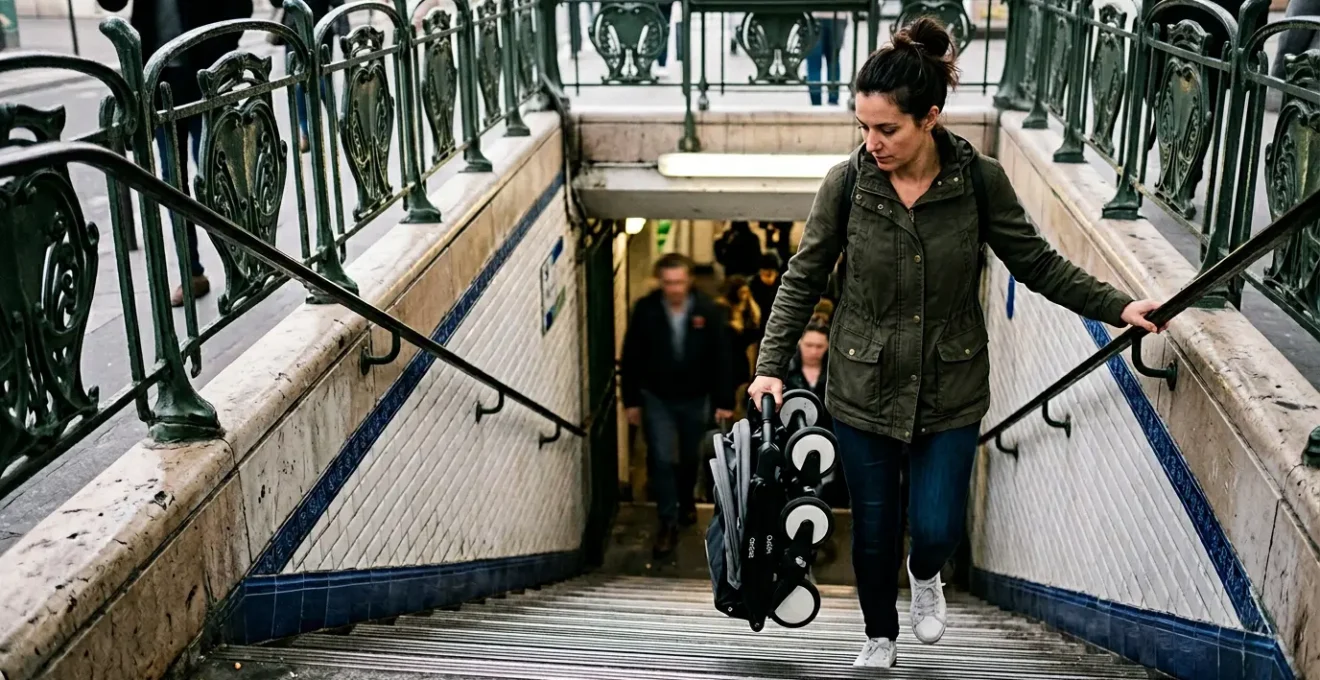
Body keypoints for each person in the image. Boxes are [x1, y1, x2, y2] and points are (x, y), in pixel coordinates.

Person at [748, 18, 1164, 669]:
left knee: (937, 527)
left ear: (930, 119)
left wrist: (1117, 306)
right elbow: (803, 277)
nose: (872, 143)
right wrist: (771, 365)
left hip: (951, 385)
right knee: (874, 532)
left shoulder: (978, 181)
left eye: (887, 129)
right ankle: (879, 636)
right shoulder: (847, 184)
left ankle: (927, 572)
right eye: (863, 127)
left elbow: (1037, 263)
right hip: (862, 384)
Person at [97, 0, 255, 307]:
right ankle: (191, 272)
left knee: (215, 173)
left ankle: (244, 263)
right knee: (173, 182)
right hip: (159, 84)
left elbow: (240, 5)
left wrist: (219, 50)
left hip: (206, 79)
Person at [621, 254, 735, 558]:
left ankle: (686, 500)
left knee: (689, 456)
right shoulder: (646, 311)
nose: (674, 289)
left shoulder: (707, 311)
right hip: (657, 398)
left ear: (690, 281)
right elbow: (631, 356)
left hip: (695, 398)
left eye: (679, 282)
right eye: (668, 283)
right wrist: (631, 401)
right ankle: (667, 521)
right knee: (660, 457)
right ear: (660, 282)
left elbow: (721, 356)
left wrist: (724, 400)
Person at [806, 10, 849, 107]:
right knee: (833, 61)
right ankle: (833, 99)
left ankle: (816, 101)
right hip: (838, 15)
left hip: (813, 15)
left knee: (814, 63)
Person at [748, 252, 781, 321]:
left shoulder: (782, 285)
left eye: (769, 275)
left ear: (776, 273)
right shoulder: (753, 284)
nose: (765, 278)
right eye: (762, 274)